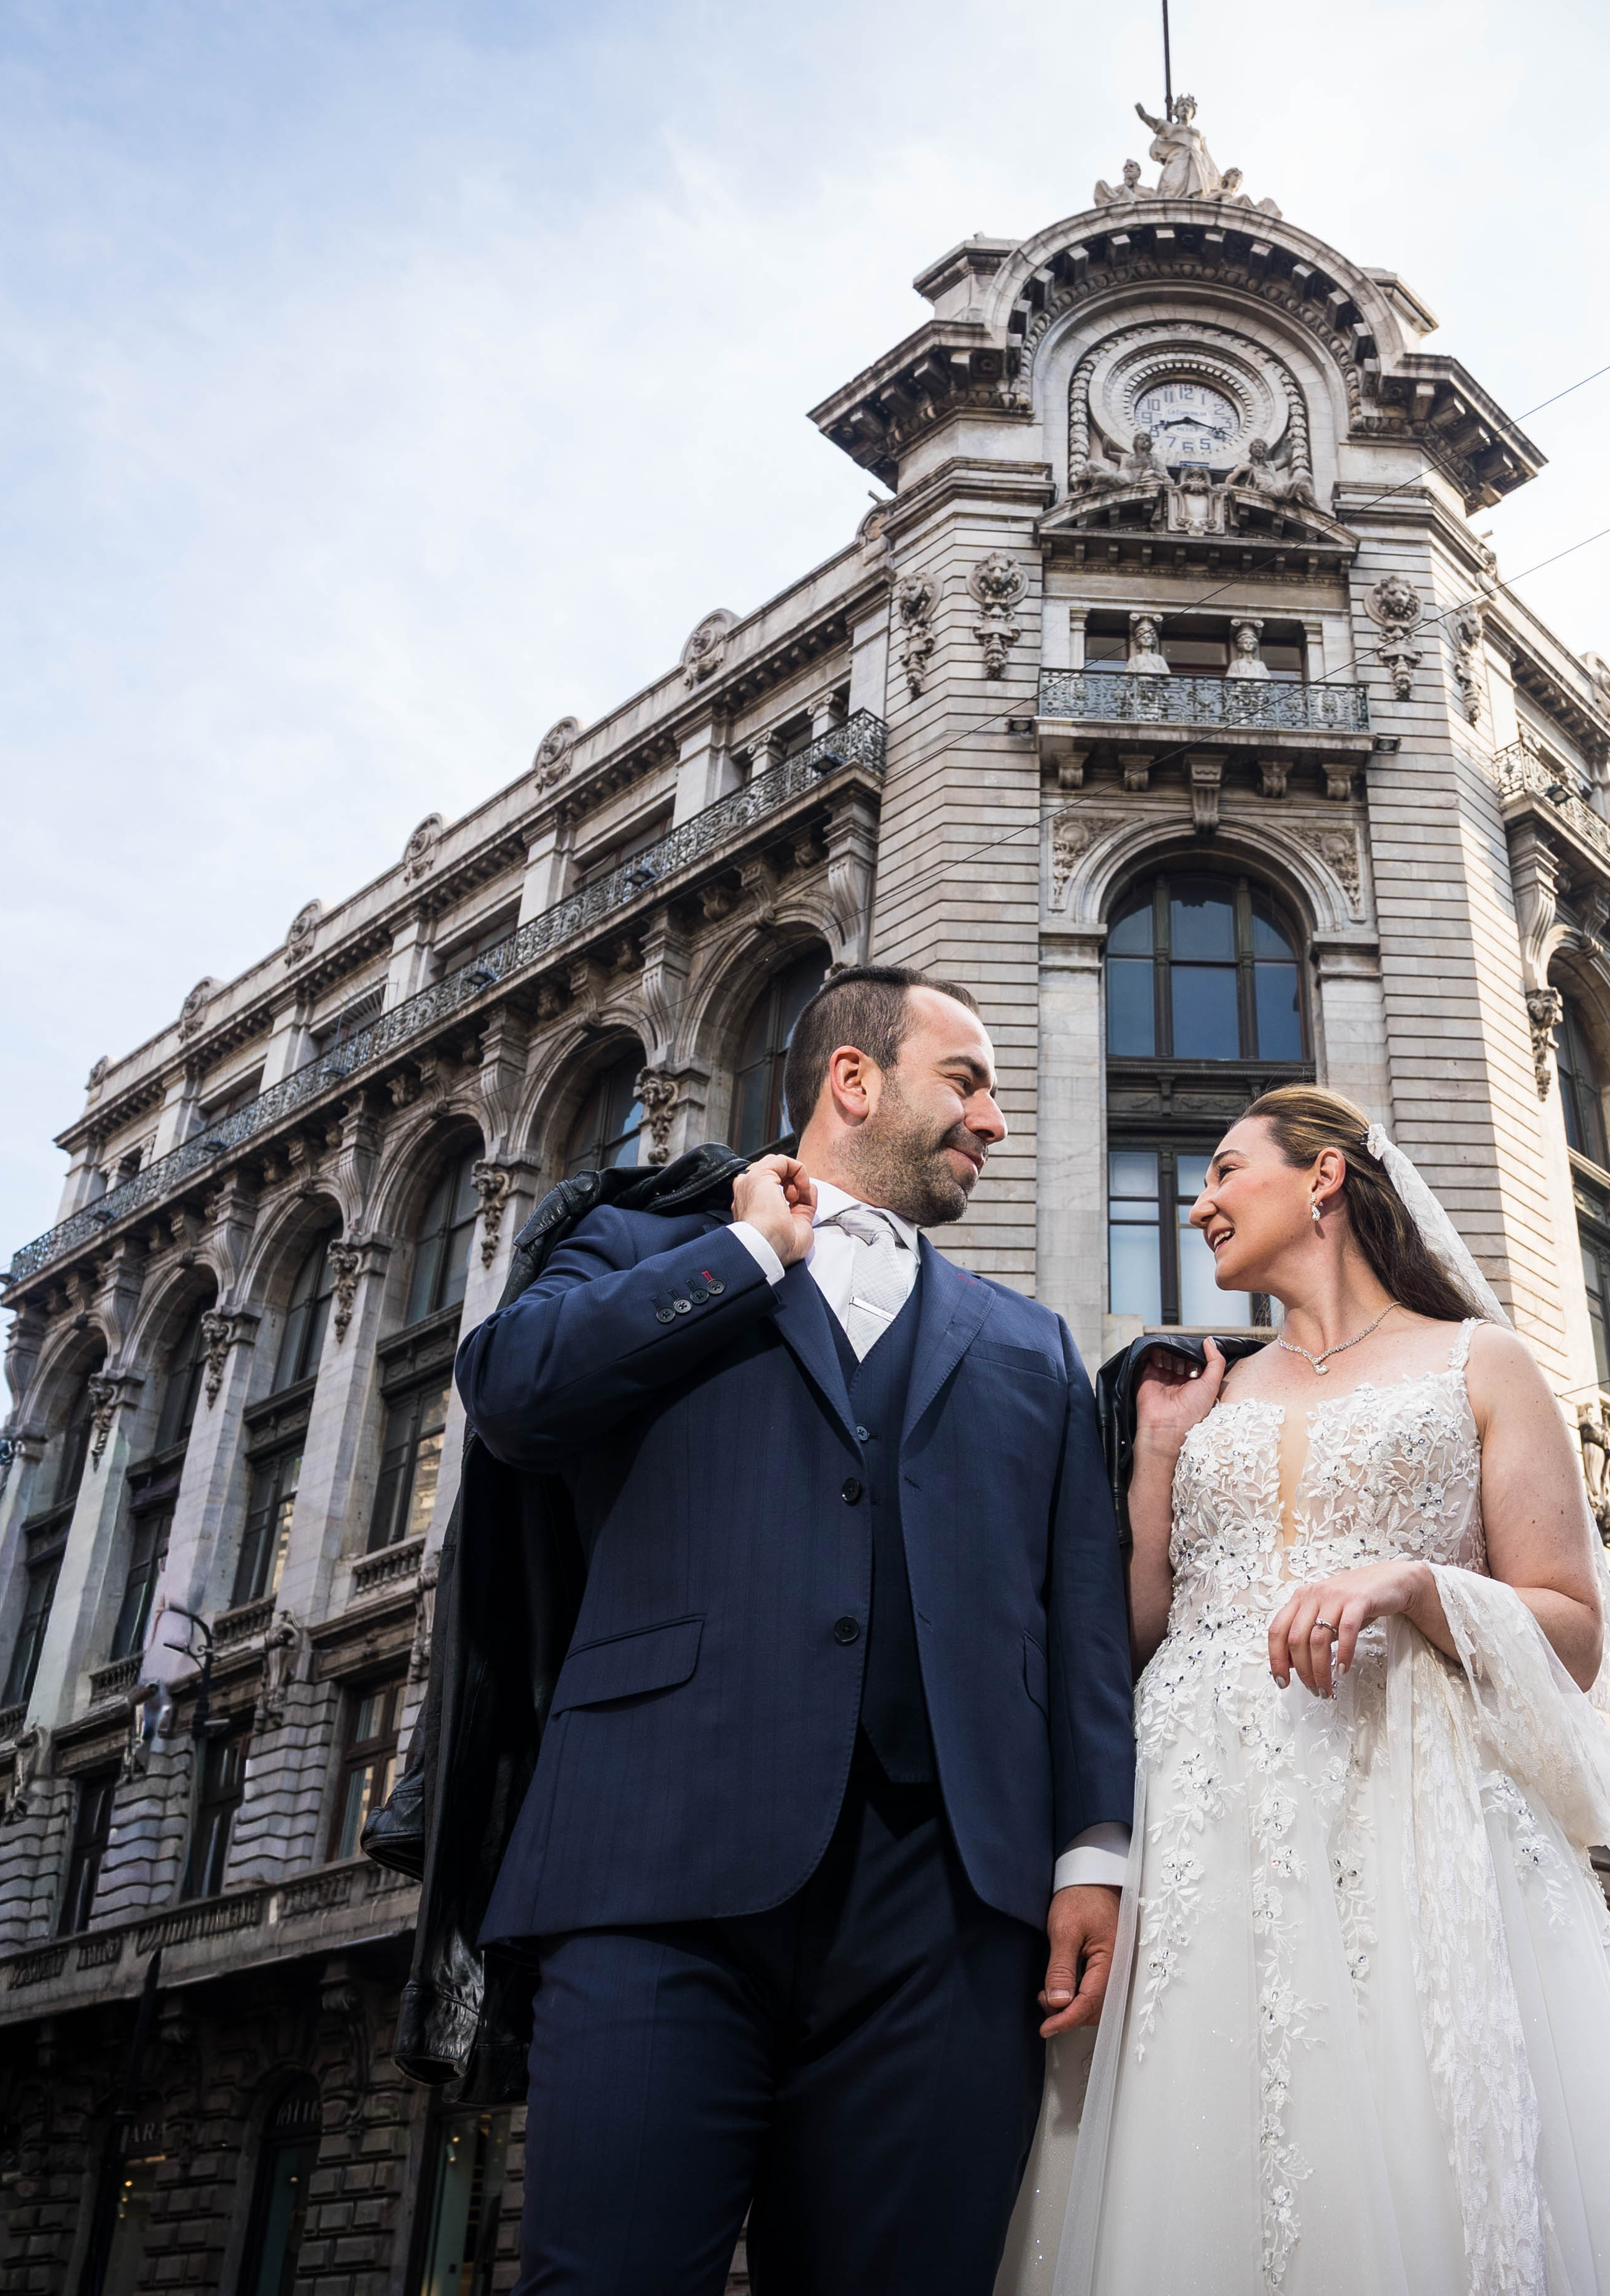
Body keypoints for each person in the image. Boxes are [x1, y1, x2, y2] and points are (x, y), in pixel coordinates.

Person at [458, 965, 1133, 2295]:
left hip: (947, 1909)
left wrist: (1093, 1847)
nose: (995, 1121)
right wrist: (747, 1251)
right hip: (655, 1874)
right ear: (853, 1081)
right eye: (970, 1082)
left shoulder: (1033, 1347)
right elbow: (513, 1393)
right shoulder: (642, 1250)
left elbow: (1080, 1626)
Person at [1016, 1084, 1610, 2293]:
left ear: (1322, 1180)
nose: (1197, 1204)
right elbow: (1140, 1627)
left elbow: (1570, 1630)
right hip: (1204, 1828)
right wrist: (1155, 1453)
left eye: (1224, 1173)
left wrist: (1415, 1582)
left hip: (1415, 1819)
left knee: (1419, 2141)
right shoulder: (1209, 1391)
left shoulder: (1481, 1361)